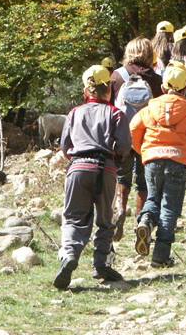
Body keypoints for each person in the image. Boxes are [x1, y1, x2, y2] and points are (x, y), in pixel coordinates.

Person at [55, 65, 132, 289]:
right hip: (106, 169)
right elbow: (125, 146)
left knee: (73, 218)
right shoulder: (116, 113)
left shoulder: (74, 113)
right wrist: (115, 157)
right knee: (106, 220)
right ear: (109, 88)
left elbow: (65, 146)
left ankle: (69, 254)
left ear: (86, 90)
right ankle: (101, 264)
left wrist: (76, 157)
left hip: (78, 168)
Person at [131, 64, 186, 267]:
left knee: (153, 197)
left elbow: (133, 129)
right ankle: (161, 256)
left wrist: (144, 151)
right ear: (185, 89)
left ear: (165, 87)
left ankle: (145, 222)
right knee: (170, 208)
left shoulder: (150, 108)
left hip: (152, 160)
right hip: (177, 162)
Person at [110, 37, 163, 241]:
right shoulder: (156, 80)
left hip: (122, 134)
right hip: (147, 136)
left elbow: (110, 108)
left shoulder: (117, 76)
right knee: (144, 182)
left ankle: (120, 211)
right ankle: (142, 222)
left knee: (122, 178)